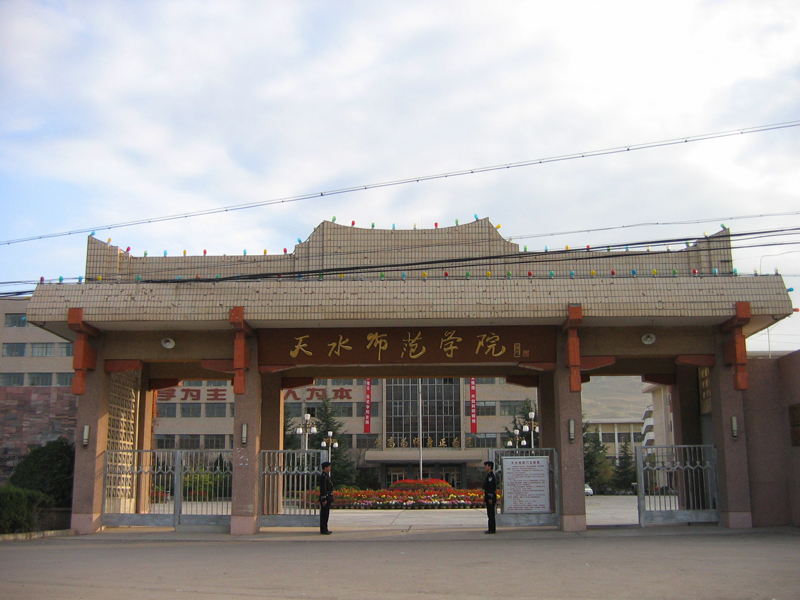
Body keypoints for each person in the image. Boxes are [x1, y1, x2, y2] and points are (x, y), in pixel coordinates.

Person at [319, 461, 333, 535]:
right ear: (325, 467)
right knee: (324, 514)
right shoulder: (324, 476)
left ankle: (325, 528)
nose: (330, 468)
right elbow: (323, 488)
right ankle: (323, 529)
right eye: (329, 467)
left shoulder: (326, 475)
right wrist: (324, 498)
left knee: (326, 514)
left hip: (328, 496)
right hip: (326, 497)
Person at [482, 460, 497, 534]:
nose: (485, 467)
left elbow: (491, 488)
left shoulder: (490, 476)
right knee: (490, 513)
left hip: (490, 497)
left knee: (491, 513)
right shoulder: (489, 475)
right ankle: (491, 528)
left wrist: (490, 497)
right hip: (488, 496)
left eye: (486, 465)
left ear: (490, 466)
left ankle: (491, 529)